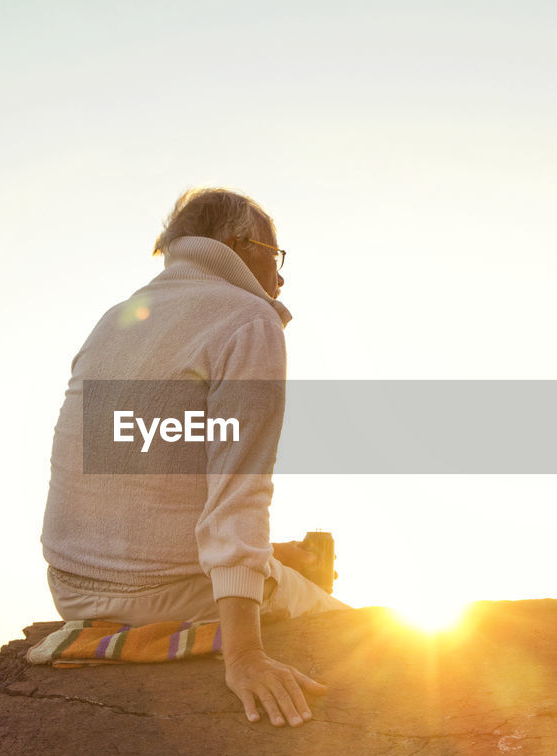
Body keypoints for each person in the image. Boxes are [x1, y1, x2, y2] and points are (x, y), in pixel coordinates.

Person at [40, 188, 348, 727]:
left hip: (70, 590)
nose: (279, 280)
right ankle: (284, 578)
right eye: (274, 257)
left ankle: (283, 563)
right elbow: (240, 491)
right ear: (237, 247)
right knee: (356, 624)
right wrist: (246, 656)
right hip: (157, 597)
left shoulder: (117, 318)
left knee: (278, 567)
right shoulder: (249, 319)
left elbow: (139, 484)